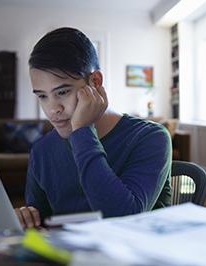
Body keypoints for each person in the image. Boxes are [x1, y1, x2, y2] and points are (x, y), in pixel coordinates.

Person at [15, 27, 172, 229]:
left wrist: (82, 130)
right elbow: (40, 224)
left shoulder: (151, 137)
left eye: (62, 92)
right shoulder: (42, 150)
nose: (53, 109)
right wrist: (24, 218)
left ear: (95, 82)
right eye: (42, 96)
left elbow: (122, 217)